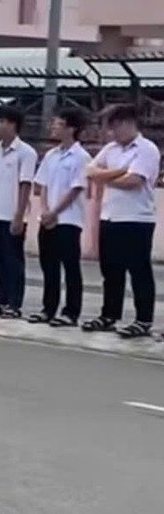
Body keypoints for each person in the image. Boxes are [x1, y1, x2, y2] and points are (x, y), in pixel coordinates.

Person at [84, 103, 158, 338]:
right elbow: (90, 171)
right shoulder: (111, 149)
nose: (111, 133)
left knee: (139, 271)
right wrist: (118, 171)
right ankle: (109, 315)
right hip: (110, 217)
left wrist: (105, 178)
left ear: (127, 123)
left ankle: (143, 319)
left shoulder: (146, 149)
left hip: (136, 219)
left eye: (114, 127)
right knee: (111, 270)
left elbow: (133, 181)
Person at [29, 109, 89, 327]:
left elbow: (75, 189)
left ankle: (71, 312)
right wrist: (45, 211)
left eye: (58, 124)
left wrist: (55, 212)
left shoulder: (81, 157)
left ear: (71, 128)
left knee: (70, 267)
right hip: (47, 219)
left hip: (68, 219)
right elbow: (42, 185)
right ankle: (48, 308)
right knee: (49, 266)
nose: (53, 127)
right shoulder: (51, 155)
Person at [0, 105, 37, 319]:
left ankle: (14, 303)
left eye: (1, 121)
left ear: (13, 124)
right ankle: (0, 300)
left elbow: (25, 184)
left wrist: (19, 216)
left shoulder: (26, 152)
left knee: (13, 261)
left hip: (11, 215)